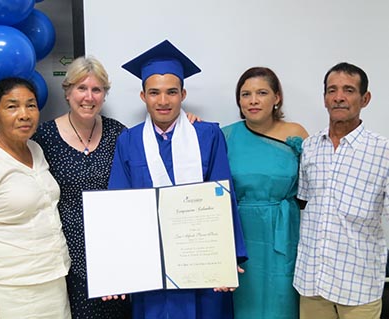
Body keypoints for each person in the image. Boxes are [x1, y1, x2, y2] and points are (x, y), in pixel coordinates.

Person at [108, 39, 248, 319]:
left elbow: (223, 198)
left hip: (202, 262)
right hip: (150, 266)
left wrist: (225, 259)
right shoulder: (129, 141)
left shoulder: (207, 135)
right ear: (142, 96)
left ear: (183, 94)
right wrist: (117, 269)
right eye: (154, 93)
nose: (163, 101)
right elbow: (118, 205)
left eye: (171, 92)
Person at [32, 56, 132, 319]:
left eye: (97, 89)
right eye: (81, 88)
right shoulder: (44, 138)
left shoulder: (118, 134)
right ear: (67, 92)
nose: (89, 97)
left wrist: (187, 122)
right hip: (67, 256)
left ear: (104, 95)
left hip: (114, 251)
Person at [0, 77, 71, 318]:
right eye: (12, 106)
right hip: (11, 292)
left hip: (53, 283)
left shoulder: (35, 149)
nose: (24, 114)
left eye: (30, 105)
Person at [293, 62, 389, 319]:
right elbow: (304, 203)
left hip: (358, 286)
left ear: (365, 98)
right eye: (331, 90)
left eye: (348, 90)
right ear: (324, 98)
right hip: (313, 281)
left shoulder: (383, 152)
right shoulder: (310, 147)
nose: (338, 97)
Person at [221, 67, 308, 319]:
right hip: (242, 232)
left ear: (277, 97)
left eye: (261, 92)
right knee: (244, 303)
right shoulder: (225, 135)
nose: (253, 100)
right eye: (246, 94)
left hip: (285, 232)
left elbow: (313, 185)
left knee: (282, 299)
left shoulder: (296, 133)